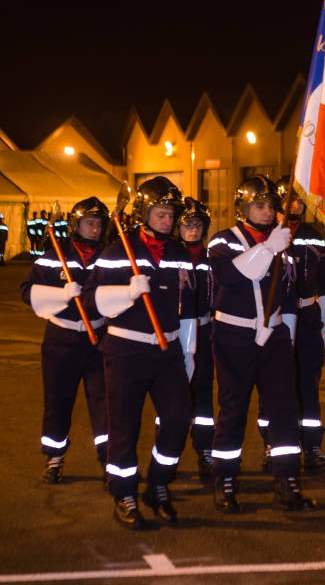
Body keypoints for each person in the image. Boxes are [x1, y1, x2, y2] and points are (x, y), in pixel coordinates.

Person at [82, 177, 190, 529]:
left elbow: (188, 306)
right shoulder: (118, 251)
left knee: (178, 419)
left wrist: (189, 352)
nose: (167, 221)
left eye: (171, 215)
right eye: (160, 214)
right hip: (126, 351)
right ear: (144, 214)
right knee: (124, 426)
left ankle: (158, 482)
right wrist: (127, 292)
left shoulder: (178, 254)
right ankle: (124, 493)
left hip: (168, 351)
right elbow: (91, 302)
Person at [207, 174, 316, 513]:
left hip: (275, 336)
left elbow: (289, 291)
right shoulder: (223, 241)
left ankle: (287, 478)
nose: (267, 212)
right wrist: (269, 248)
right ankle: (226, 477)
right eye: (259, 206)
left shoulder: (282, 241)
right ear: (243, 208)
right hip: (234, 335)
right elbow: (231, 275)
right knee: (233, 409)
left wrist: (287, 333)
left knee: (284, 410)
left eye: (271, 206)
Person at [20, 197, 110, 484]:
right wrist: (60, 295)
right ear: (75, 225)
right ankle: (54, 458)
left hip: (98, 340)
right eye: (89, 223)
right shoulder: (53, 256)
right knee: (58, 401)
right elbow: (27, 290)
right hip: (61, 340)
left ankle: (109, 460)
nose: (94, 229)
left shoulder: (109, 257)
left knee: (105, 404)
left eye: (99, 224)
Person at [259, 176, 325, 471]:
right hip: (277, 319)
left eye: (301, 200)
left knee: (309, 385)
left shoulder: (315, 235)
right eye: (290, 199)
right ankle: (271, 444)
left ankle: (311, 444)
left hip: (309, 317)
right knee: (273, 385)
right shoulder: (268, 236)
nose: (296, 205)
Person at [175, 197, 215, 478]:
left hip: (205, 330)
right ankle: (168, 451)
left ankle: (205, 449)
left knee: (203, 394)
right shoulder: (168, 257)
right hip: (174, 333)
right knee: (173, 394)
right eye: (187, 225)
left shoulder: (212, 258)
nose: (193, 230)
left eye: (198, 225)